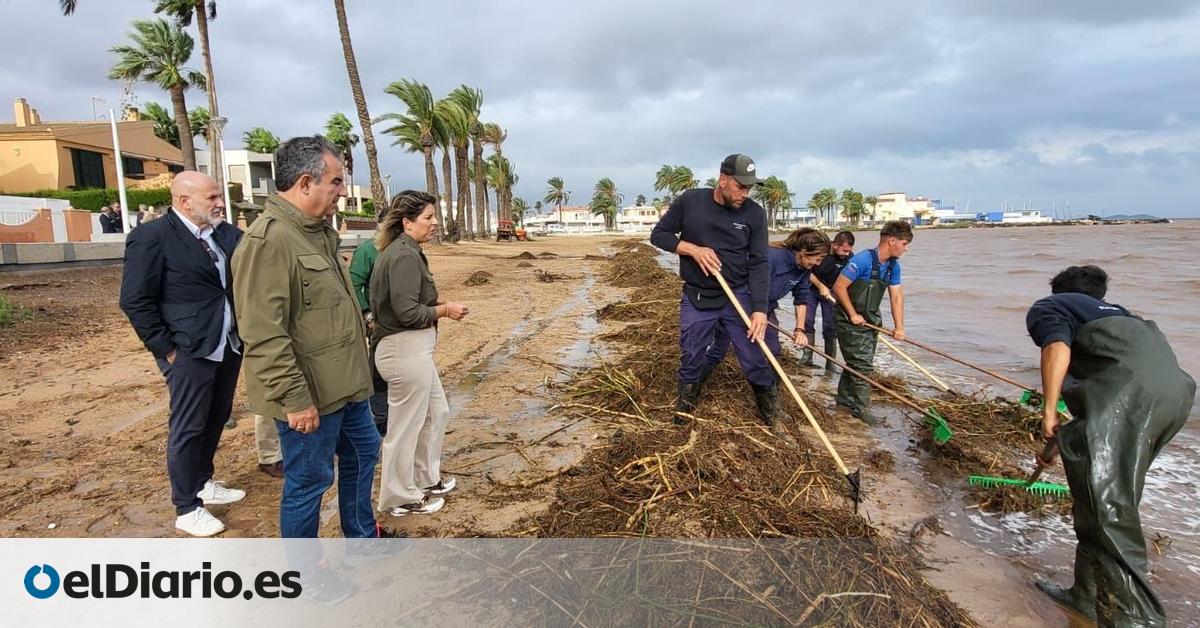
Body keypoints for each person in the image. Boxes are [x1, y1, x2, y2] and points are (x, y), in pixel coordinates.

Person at [231, 136, 382, 541]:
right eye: (335, 181)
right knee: (308, 485)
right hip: (311, 395)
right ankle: (307, 579)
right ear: (304, 183)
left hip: (347, 388)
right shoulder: (270, 241)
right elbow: (263, 334)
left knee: (365, 451)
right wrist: (295, 400)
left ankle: (363, 539)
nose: (342, 191)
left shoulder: (316, 233)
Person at [1026, 265, 1194, 627]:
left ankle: (1138, 618)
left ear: (1060, 292)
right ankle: (1085, 596)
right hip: (1174, 398)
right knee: (1099, 495)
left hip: (1130, 396)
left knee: (1109, 509)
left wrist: (1048, 409)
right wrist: (1055, 444)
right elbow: (1099, 407)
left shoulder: (1051, 307)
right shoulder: (1124, 316)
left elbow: (1056, 348)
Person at [118, 171, 245, 537]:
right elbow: (134, 300)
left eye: (219, 196)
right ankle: (186, 505)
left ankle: (203, 480)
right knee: (188, 425)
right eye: (212, 197)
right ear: (184, 201)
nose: (220, 203)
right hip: (188, 347)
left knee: (217, 414)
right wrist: (166, 349)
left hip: (227, 342)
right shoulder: (151, 237)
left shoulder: (223, 234)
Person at [650, 153, 773, 424]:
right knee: (692, 352)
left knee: (754, 355)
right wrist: (692, 249)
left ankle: (770, 414)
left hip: (737, 295)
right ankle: (684, 409)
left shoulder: (754, 214)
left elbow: (760, 263)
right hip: (698, 295)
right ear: (722, 180)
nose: (745, 193)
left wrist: (760, 310)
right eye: (740, 186)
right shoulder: (690, 202)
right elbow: (658, 235)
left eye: (749, 187)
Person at [371, 190, 467, 516]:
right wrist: (445, 310)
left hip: (413, 351)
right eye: (428, 217)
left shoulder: (408, 251)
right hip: (403, 350)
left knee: (436, 412)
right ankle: (398, 497)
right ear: (408, 222)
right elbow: (406, 312)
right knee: (404, 427)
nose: (435, 222)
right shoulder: (404, 256)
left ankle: (425, 478)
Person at [702, 228, 829, 389]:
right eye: (817, 259)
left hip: (766, 308)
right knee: (719, 349)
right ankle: (693, 385)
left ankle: (771, 395)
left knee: (773, 351)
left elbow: (801, 299)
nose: (818, 264)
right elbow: (753, 286)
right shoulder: (772, 257)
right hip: (739, 304)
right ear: (804, 252)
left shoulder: (804, 269)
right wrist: (755, 314)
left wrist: (799, 329)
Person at [832, 220, 912, 424]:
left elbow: (896, 297)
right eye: (904, 243)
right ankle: (861, 408)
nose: (906, 249)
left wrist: (899, 327)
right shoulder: (862, 261)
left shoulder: (893, 266)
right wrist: (852, 314)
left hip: (870, 321)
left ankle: (844, 401)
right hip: (849, 320)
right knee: (862, 365)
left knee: (856, 362)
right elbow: (839, 287)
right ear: (892, 240)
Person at [348, 202, 393, 436]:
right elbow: (354, 284)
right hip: (379, 323)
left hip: (402, 323)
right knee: (377, 371)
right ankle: (380, 420)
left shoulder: (404, 249)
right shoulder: (368, 251)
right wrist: (367, 315)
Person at [802, 230, 854, 371]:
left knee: (831, 327)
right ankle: (807, 358)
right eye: (844, 250)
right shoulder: (821, 250)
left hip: (832, 293)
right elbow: (807, 270)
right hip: (811, 288)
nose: (847, 254)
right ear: (835, 245)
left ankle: (830, 363)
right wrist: (820, 286)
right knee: (807, 321)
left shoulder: (849, 258)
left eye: (849, 251)